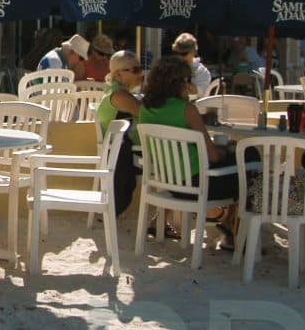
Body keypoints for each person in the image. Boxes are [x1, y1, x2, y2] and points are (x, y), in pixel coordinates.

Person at [139, 55, 239, 247]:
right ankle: (234, 228)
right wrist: (226, 152)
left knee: (238, 164)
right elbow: (211, 156)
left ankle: (226, 221)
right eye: (187, 81)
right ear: (179, 83)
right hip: (196, 185)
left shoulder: (145, 108)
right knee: (248, 163)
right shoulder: (187, 109)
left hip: (167, 182)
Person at [96, 50, 143, 218]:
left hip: (119, 152)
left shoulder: (116, 92)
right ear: (118, 74)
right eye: (135, 70)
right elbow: (147, 115)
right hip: (120, 154)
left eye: (141, 68)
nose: (141, 73)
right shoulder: (119, 95)